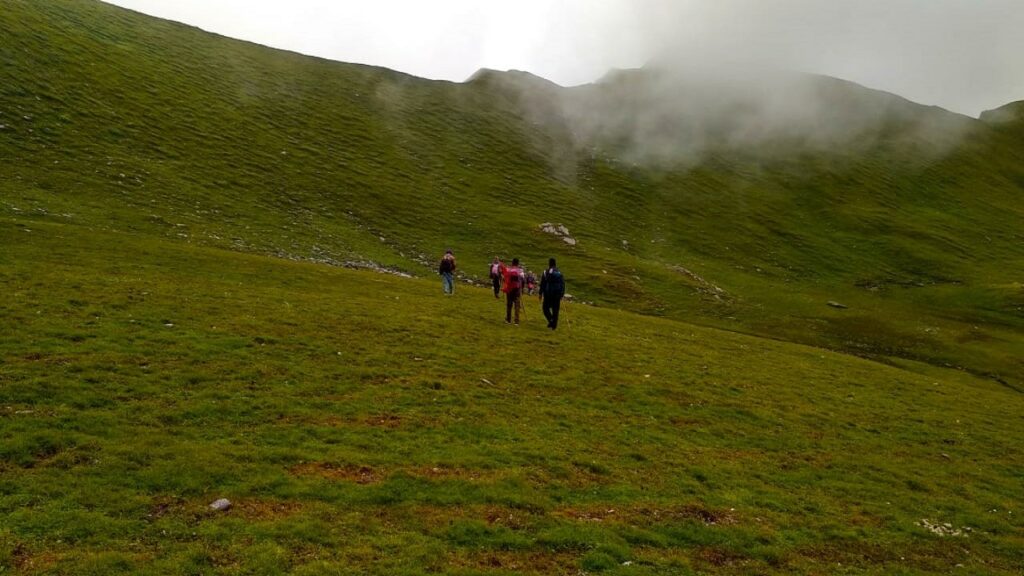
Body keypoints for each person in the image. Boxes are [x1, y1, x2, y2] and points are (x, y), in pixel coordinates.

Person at [539, 258, 565, 330]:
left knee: (545, 308)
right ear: (555, 264)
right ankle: (554, 326)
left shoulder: (545, 272)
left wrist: (540, 293)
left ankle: (551, 320)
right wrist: (562, 294)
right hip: (557, 294)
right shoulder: (559, 272)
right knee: (555, 310)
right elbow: (562, 284)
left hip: (548, 293)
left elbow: (543, 283)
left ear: (549, 264)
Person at [502, 258, 525, 324]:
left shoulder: (509, 270)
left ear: (512, 263)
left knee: (509, 304)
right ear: (518, 263)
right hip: (517, 289)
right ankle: (516, 321)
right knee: (517, 305)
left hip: (509, 289)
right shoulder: (520, 271)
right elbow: (523, 281)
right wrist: (522, 288)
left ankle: (508, 320)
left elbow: (504, 279)